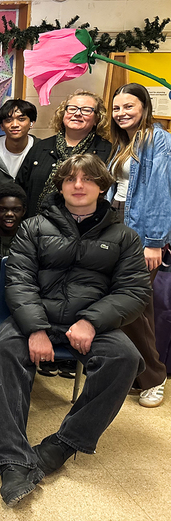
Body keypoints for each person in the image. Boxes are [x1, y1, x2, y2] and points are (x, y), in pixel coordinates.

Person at [0, 153, 151, 507]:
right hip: (37, 317)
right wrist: (35, 328)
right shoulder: (33, 227)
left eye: (88, 179)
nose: (79, 185)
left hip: (91, 321)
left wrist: (92, 321)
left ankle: (62, 445)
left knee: (124, 357)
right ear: (60, 185)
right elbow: (18, 281)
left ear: (102, 186)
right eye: (71, 179)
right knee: (5, 349)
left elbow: (134, 291)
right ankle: (11, 460)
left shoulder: (124, 237)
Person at [108, 83, 171, 407]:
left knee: (130, 306)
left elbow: (161, 192)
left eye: (128, 106)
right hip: (118, 226)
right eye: (117, 108)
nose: (121, 113)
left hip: (142, 234)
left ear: (144, 107)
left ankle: (153, 378)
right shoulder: (125, 142)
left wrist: (155, 242)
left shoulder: (158, 139)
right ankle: (138, 373)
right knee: (138, 306)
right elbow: (117, 190)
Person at [17, 89, 111, 218]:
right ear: (63, 114)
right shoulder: (41, 148)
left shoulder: (106, 151)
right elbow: (20, 189)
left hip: (86, 230)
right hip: (37, 227)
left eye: (86, 110)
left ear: (96, 119)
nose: (77, 114)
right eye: (72, 108)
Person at [0, 183, 28, 258]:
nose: (9, 214)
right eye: (3, 209)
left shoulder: (28, 241)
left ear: (23, 211)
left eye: (16, 210)